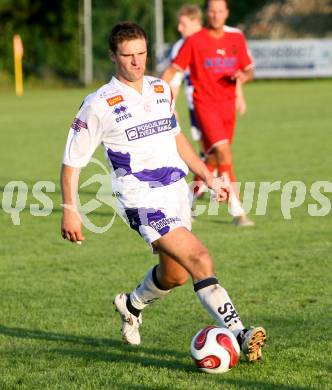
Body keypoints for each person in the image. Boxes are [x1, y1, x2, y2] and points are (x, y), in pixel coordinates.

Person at [60, 21, 266, 362]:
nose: (137, 62)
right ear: (113, 56)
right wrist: (70, 207)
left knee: (176, 274)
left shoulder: (159, 89)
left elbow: (176, 137)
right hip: (141, 199)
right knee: (200, 257)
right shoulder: (98, 103)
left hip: (177, 192)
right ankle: (240, 334)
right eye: (128, 56)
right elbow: (71, 160)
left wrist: (207, 176)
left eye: (141, 54)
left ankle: (132, 304)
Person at [162, 0, 254, 226]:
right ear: (207, 14)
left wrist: (241, 81)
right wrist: (158, 98)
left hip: (227, 107)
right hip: (202, 106)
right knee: (223, 153)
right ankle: (237, 210)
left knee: (213, 157)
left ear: (226, 13)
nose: (215, 15)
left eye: (220, 11)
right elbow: (174, 72)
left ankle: (188, 199)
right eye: (211, 11)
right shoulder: (193, 42)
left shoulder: (236, 38)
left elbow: (248, 70)